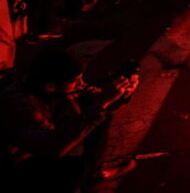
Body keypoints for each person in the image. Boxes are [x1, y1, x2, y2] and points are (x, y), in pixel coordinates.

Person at [0, 50, 139, 192]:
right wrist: (101, 104)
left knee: (98, 116)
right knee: (76, 168)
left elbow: (88, 107)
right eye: (75, 81)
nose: (81, 84)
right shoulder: (22, 106)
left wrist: (119, 96)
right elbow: (52, 148)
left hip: (38, 142)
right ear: (50, 86)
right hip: (17, 161)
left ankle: (93, 174)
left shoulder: (44, 89)